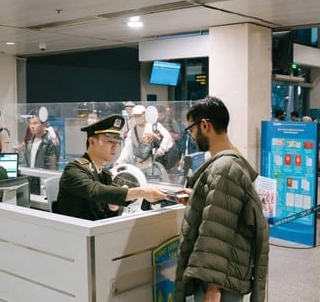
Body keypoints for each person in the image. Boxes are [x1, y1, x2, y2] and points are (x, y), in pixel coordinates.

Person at [174, 96, 269, 302]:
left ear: (205, 125)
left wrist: (212, 288)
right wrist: (198, 197)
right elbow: (225, 213)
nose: (191, 135)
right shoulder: (231, 160)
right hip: (227, 272)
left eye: (192, 129)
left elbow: (217, 231)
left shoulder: (224, 168)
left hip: (219, 282)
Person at [56, 115, 167, 220]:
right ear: (92, 141)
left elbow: (107, 215)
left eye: (117, 141)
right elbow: (95, 191)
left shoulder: (105, 174)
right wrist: (141, 192)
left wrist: (113, 207)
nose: (115, 146)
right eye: (109, 141)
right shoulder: (73, 170)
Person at [115, 105, 174, 177]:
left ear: (145, 114)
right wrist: (119, 161)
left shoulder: (154, 126)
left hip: (154, 165)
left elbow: (167, 137)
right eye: (135, 116)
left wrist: (161, 149)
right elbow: (127, 149)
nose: (137, 118)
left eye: (139, 115)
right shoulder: (132, 131)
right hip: (139, 166)